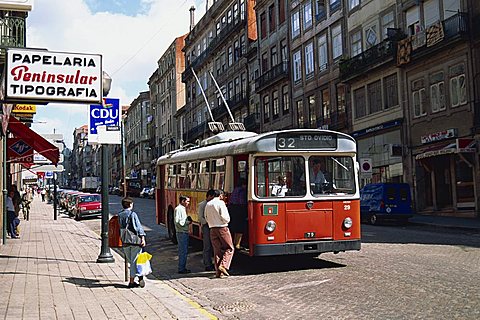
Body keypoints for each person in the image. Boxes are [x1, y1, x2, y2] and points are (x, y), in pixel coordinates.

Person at [118, 197, 147, 288]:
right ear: (130, 204)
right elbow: (138, 227)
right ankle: (132, 281)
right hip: (134, 241)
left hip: (125, 240)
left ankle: (139, 277)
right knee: (135, 261)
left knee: (132, 261)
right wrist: (142, 238)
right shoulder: (132, 214)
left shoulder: (120, 215)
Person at [205, 189, 234, 278]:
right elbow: (225, 217)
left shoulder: (208, 204)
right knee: (229, 248)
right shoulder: (221, 203)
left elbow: (206, 217)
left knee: (217, 250)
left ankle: (218, 271)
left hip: (212, 228)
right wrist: (226, 221)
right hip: (222, 227)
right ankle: (223, 265)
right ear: (220, 195)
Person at [198, 189, 216, 271]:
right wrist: (208, 221)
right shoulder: (202, 205)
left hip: (214, 226)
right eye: (211, 197)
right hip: (206, 227)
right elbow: (200, 218)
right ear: (208, 196)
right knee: (207, 246)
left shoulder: (214, 204)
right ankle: (207, 264)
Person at [174, 195, 192, 274]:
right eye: (187, 201)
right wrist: (187, 222)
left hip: (183, 232)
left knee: (184, 251)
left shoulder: (182, 209)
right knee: (183, 251)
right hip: (182, 232)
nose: (188, 203)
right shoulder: (178, 209)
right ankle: (181, 268)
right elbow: (178, 222)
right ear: (182, 201)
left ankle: (182, 267)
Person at [228, 179, 247, 250]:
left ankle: (234, 242)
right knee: (240, 227)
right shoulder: (242, 191)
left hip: (233, 209)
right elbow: (242, 202)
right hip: (239, 209)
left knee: (235, 226)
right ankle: (238, 244)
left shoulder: (235, 190)